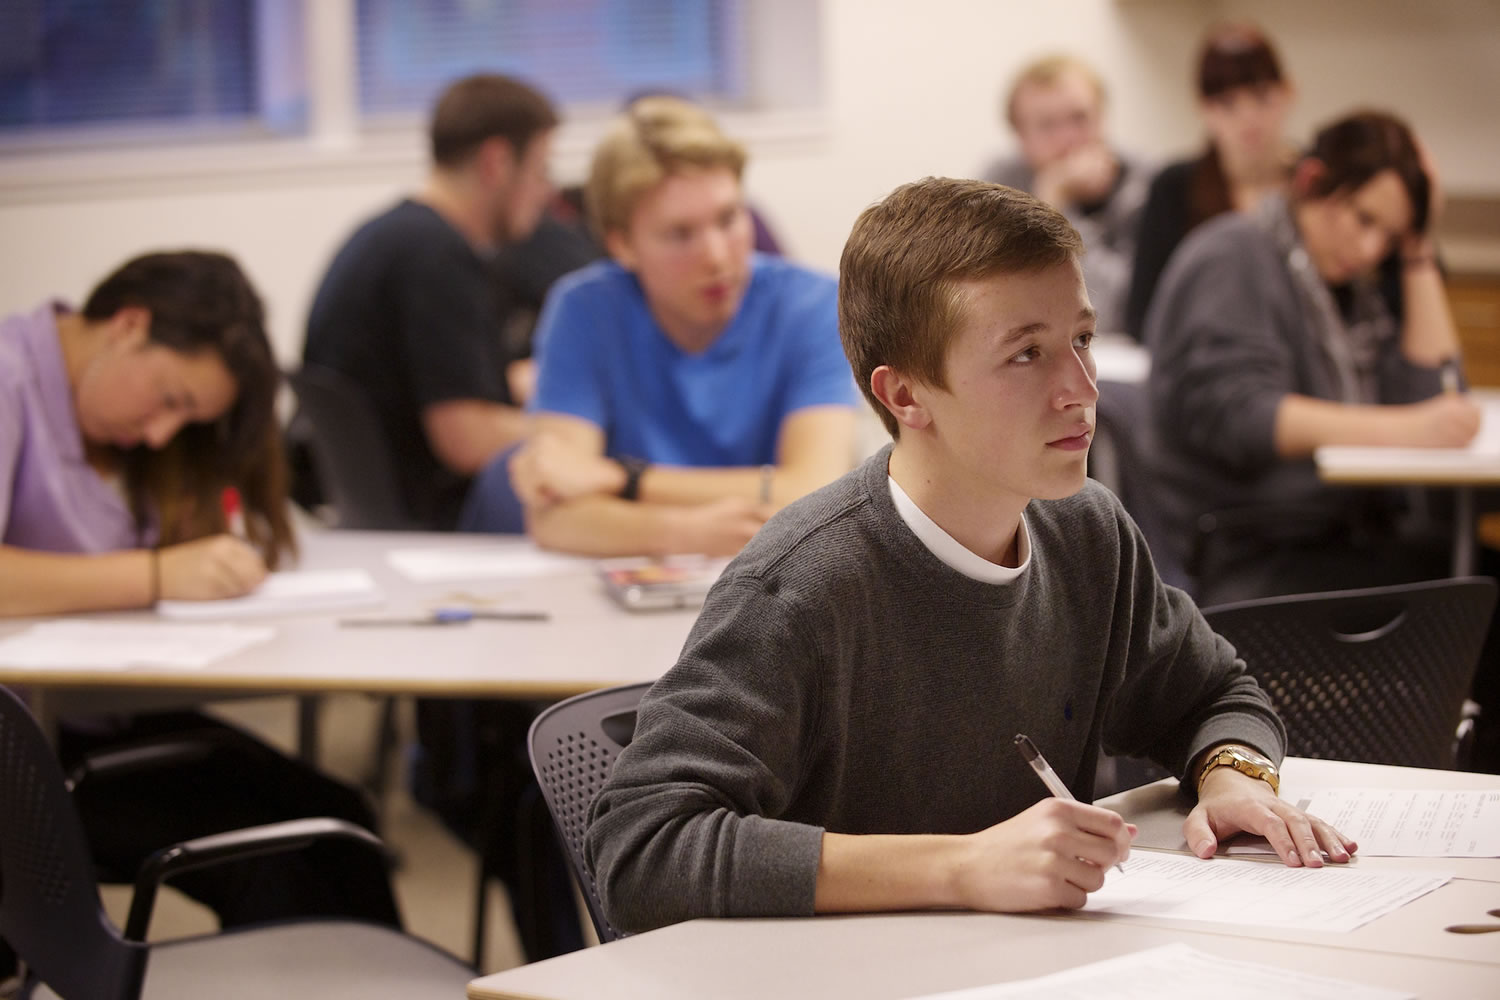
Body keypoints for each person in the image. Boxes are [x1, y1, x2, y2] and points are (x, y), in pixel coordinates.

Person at [583, 177, 1355, 935]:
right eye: (1026, 355)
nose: (1081, 389)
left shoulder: (1086, 532)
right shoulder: (801, 587)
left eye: (1080, 339)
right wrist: (961, 867)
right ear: (906, 396)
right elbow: (640, 849)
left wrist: (1232, 778)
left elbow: (1215, 694)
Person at [0, 250, 401, 930]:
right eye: (171, 400)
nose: (161, 433)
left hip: (90, 718)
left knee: (339, 820)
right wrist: (155, 576)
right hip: (23, 754)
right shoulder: (10, 377)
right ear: (128, 325)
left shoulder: (116, 426)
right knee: (269, 860)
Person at [493, 96, 857, 555]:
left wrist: (618, 479)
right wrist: (687, 532)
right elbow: (553, 514)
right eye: (680, 234)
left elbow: (813, 491)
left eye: (729, 219)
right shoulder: (583, 309)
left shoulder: (811, 303)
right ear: (622, 244)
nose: (717, 256)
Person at [1142, 110, 1477, 606]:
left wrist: (1418, 249)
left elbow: (1433, 397)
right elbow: (1242, 417)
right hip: (1248, 552)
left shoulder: (1347, 297)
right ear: (1311, 180)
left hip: (1329, 538)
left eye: (1388, 237)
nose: (1369, 250)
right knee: (1470, 591)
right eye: (1364, 219)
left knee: (1470, 577)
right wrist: (1411, 428)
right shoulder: (1233, 255)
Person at [303, 73, 559, 529]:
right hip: (436, 521)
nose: (548, 192)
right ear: (497, 162)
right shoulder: (438, 258)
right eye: (541, 169)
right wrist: (585, 433)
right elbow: (468, 439)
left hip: (374, 510)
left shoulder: (390, 235)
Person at [1124, 23, 1297, 341]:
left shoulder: (1314, 182)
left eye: (1260, 96)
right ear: (1204, 108)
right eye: (1228, 103)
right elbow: (1145, 312)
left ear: (1287, 93)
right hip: (1204, 360)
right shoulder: (1174, 187)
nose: (1248, 117)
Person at [982, 55, 1149, 333]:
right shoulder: (998, 184)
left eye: (1079, 118)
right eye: (1047, 125)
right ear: (1020, 137)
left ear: (1103, 117)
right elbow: (988, 304)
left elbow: (1113, 312)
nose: (1068, 139)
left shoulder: (1144, 184)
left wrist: (1055, 206)